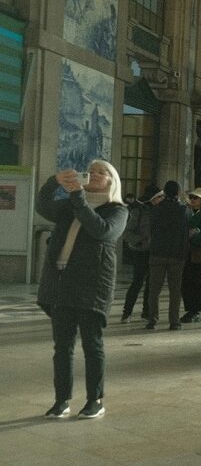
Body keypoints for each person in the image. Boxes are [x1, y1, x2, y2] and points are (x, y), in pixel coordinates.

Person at [36, 161, 128, 420]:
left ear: (112, 181)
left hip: (92, 284)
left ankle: (95, 400)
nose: (96, 174)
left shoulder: (117, 210)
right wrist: (54, 181)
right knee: (62, 346)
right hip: (62, 282)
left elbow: (101, 231)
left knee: (92, 344)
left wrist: (78, 197)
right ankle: (61, 400)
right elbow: (42, 206)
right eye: (92, 171)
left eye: (103, 172)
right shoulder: (70, 205)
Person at [145, 181, 191, 330]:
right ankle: (174, 321)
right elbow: (185, 234)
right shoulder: (183, 210)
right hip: (176, 255)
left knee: (154, 289)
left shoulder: (156, 209)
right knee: (175, 290)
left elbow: (151, 229)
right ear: (177, 192)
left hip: (157, 253)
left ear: (164, 192)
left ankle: (152, 319)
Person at [119, 186, 157, 324]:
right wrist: (141, 241)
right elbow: (127, 232)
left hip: (156, 252)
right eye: (159, 197)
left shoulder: (161, 211)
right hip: (141, 252)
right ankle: (126, 312)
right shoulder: (139, 212)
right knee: (137, 282)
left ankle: (146, 311)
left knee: (151, 284)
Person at [180, 188, 201, 323]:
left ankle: (195, 310)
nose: (192, 200)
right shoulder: (187, 213)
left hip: (198, 253)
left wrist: (195, 237)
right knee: (186, 282)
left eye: (195, 198)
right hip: (185, 253)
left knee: (197, 283)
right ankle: (189, 308)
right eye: (191, 197)